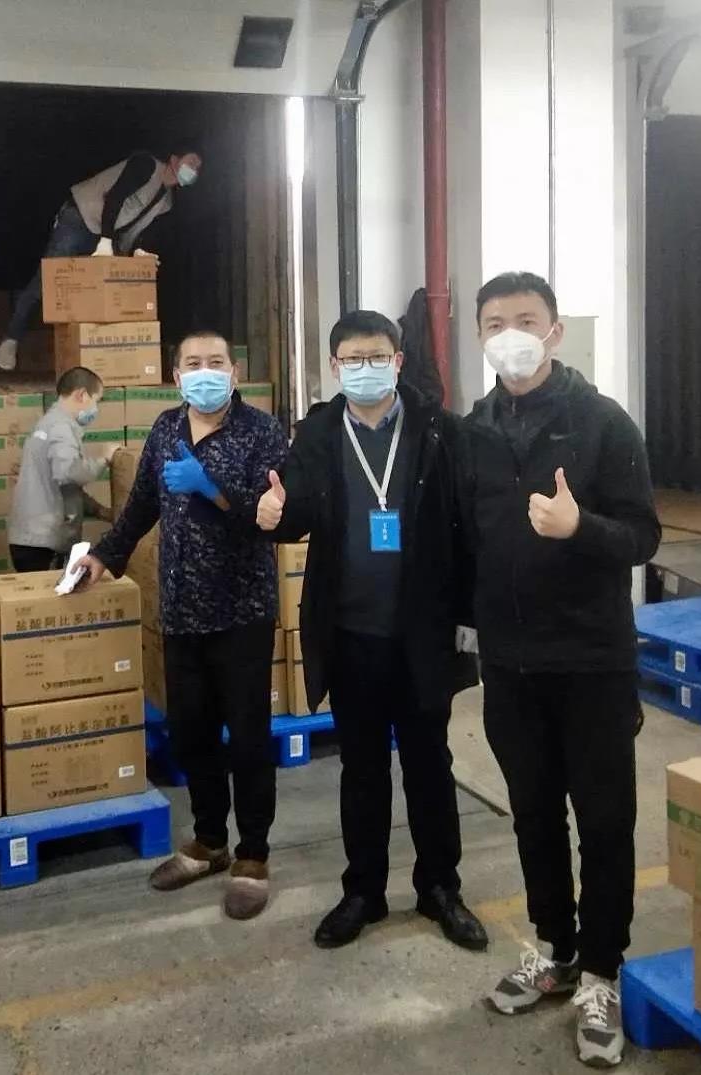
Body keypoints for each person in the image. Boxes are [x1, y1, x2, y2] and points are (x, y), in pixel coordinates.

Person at [461, 272, 660, 1069]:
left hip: (592, 661)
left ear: (554, 330)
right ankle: (557, 948)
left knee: (605, 820)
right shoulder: (472, 432)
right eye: (494, 322)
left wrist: (581, 527)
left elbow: (643, 536)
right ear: (480, 336)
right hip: (510, 665)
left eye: (525, 318)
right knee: (533, 813)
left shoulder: (603, 422)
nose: (510, 333)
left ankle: (603, 972)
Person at [255, 310, 488, 954]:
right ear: (335, 366)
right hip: (350, 633)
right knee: (361, 769)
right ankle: (363, 891)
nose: (365, 368)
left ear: (398, 361)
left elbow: (467, 526)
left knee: (430, 765)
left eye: (377, 356)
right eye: (353, 359)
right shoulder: (317, 433)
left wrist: (469, 618)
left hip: (422, 634)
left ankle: (440, 888)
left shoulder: (440, 429)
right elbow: (295, 510)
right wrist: (274, 514)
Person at [72, 330, 288, 919]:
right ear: (176, 376)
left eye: (216, 362)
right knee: (192, 733)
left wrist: (210, 489)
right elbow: (142, 504)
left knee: (248, 737)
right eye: (193, 363)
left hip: (241, 611)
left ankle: (253, 855)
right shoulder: (166, 428)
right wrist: (104, 556)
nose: (205, 371)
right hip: (181, 609)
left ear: (234, 373)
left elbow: (271, 518)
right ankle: (210, 841)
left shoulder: (262, 432)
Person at [0, 147, 203, 370]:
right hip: (80, 220)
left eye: (197, 168)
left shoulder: (167, 202)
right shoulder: (146, 165)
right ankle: (11, 339)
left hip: (108, 236)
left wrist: (138, 251)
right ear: (174, 159)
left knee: (99, 295)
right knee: (48, 281)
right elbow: (114, 197)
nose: (193, 170)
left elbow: (142, 231)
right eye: (191, 162)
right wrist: (105, 240)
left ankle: (91, 357)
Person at [8, 366, 115, 573]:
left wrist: (98, 510)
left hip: (32, 539)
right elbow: (68, 473)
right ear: (82, 395)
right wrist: (103, 459)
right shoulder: (61, 427)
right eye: (97, 400)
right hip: (42, 543)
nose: (96, 409)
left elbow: (62, 485)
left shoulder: (50, 423)